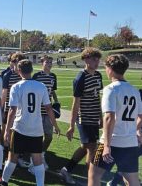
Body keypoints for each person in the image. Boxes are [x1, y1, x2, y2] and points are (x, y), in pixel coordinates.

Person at [0, 59, 60, 186]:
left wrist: (7, 131)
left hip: (20, 127)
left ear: (19, 71)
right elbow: (49, 108)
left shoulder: (17, 86)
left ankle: (4, 182)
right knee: (37, 159)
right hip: (36, 128)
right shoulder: (41, 86)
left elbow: (12, 110)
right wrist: (55, 125)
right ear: (32, 70)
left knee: (12, 157)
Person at [88, 54, 142, 186]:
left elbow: (109, 117)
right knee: (132, 180)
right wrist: (132, 130)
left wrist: (106, 145)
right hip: (130, 142)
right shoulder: (134, 90)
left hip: (112, 142)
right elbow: (140, 116)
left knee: (94, 174)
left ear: (110, 68)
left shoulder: (111, 89)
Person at [60, 47, 103, 184]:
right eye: (94, 59)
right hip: (84, 118)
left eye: (98, 59)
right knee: (92, 148)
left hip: (94, 117)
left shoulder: (98, 75)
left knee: (86, 147)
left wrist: (100, 116)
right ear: (86, 59)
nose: (97, 62)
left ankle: (66, 170)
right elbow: (75, 103)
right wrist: (71, 125)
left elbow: (97, 98)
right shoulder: (80, 78)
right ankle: (91, 179)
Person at [31, 55, 59, 170]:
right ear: (42, 63)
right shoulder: (37, 76)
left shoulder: (53, 76)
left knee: (49, 136)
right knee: (36, 136)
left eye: (51, 62)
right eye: (47, 62)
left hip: (48, 110)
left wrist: (57, 101)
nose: (49, 64)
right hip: (37, 110)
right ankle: (33, 158)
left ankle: (41, 154)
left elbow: (52, 91)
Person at [1, 53, 26, 166]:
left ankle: (19, 156)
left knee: (20, 133)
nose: (17, 65)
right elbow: (4, 93)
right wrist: (1, 109)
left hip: (22, 110)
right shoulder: (8, 75)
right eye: (16, 62)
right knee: (7, 132)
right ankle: (6, 155)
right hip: (9, 108)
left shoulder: (24, 76)